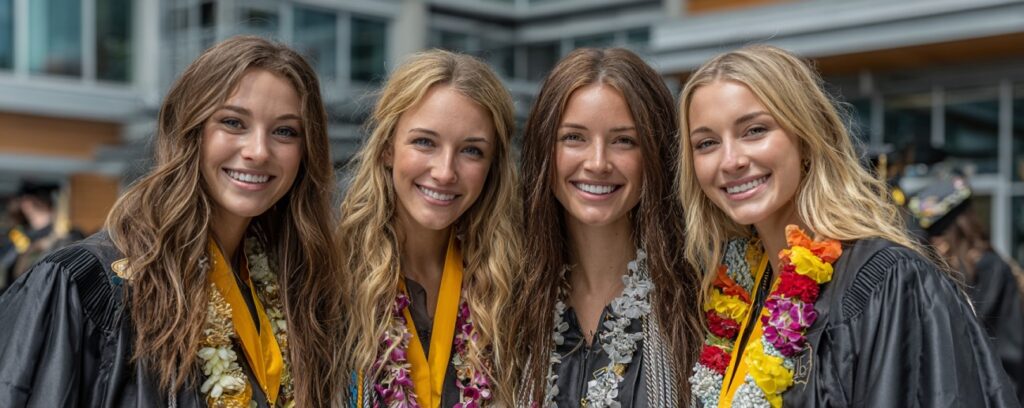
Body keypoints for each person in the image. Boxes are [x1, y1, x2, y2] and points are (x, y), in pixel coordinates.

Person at [0, 36, 346, 407]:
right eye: (233, 122)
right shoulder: (90, 285)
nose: (258, 151)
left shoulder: (297, 290)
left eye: (285, 131)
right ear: (189, 130)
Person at [679, 45, 1019, 407]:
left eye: (755, 130)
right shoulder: (738, 293)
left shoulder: (886, 282)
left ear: (806, 138)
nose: (730, 160)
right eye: (707, 143)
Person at [506, 47, 703, 407]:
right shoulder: (504, 300)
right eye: (574, 138)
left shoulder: (700, 300)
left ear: (656, 154)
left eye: (623, 141)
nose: (597, 163)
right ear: (543, 149)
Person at [340, 50, 521, 407]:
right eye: (424, 142)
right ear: (388, 147)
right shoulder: (329, 276)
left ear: (492, 167)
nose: (444, 171)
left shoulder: (510, 286)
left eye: (471, 150)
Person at [909, 175, 1024, 403]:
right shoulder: (938, 271)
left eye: (941, 232)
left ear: (961, 227)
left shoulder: (989, 268)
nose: (936, 242)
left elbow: (999, 347)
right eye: (929, 235)